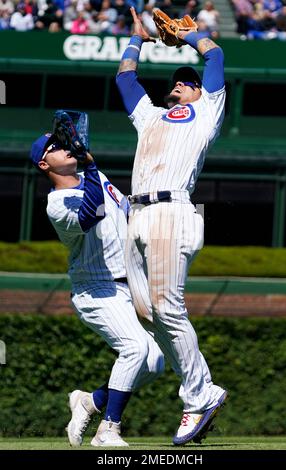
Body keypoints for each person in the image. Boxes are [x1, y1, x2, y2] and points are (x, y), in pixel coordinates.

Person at [116, 7, 227, 445]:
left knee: (167, 308)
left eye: (189, 80)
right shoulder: (151, 116)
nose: (182, 82)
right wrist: (137, 38)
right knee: (146, 313)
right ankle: (203, 390)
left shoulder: (207, 114)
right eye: (178, 79)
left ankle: (199, 397)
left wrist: (192, 35)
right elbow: (126, 81)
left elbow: (214, 59)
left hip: (173, 210)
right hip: (137, 214)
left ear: (202, 92)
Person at [30, 122, 164, 447]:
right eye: (57, 146)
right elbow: (90, 214)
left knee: (155, 360)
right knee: (135, 348)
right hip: (96, 290)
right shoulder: (57, 203)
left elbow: (125, 210)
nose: (66, 147)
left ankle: (89, 401)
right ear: (44, 164)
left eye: (67, 142)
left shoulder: (97, 177)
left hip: (127, 285)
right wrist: (90, 165)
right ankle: (108, 430)